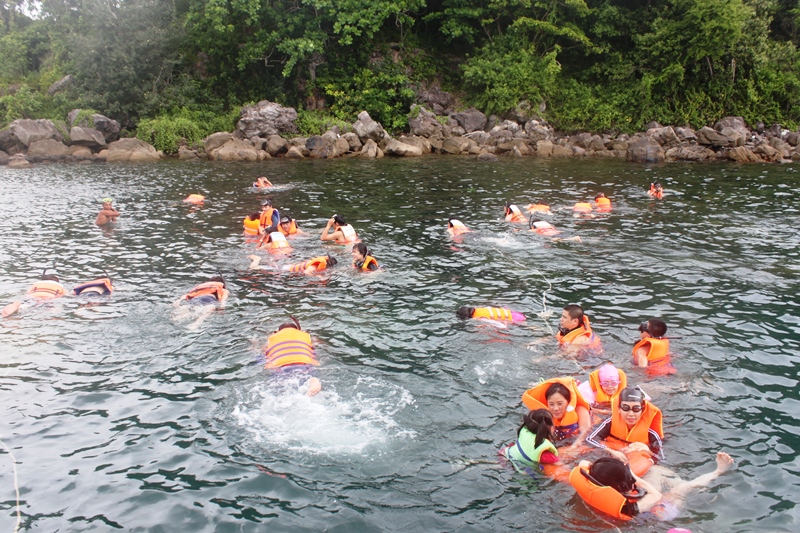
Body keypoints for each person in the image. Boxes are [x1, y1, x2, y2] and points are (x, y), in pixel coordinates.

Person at [570, 452, 734, 521]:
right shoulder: (626, 508)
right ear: (621, 484)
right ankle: (718, 472)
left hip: (626, 501)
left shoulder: (592, 482)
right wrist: (633, 477)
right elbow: (655, 497)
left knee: (654, 471)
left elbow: (583, 463)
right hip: (657, 515)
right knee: (681, 489)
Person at [586, 387, 664, 474]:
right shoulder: (610, 422)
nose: (631, 414)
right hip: (613, 449)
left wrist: (648, 451)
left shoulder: (651, 432)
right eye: (625, 408)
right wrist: (611, 451)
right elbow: (590, 439)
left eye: (636, 409)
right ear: (619, 409)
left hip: (635, 456)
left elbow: (662, 458)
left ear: (642, 410)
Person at [264, 318, 321, 396]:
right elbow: (316, 345)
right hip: (303, 364)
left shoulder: (272, 339)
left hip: (281, 367)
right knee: (307, 375)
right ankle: (312, 381)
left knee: (281, 384)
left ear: (277, 332)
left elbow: (264, 352)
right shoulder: (305, 337)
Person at [522, 378, 591, 442]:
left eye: (560, 403)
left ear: (568, 402)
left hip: (576, 441)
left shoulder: (580, 410)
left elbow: (585, 434)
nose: (555, 408)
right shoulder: (543, 417)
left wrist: (572, 448)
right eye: (551, 404)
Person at [500, 409, 559, 474]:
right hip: (517, 468)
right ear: (548, 428)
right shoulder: (544, 452)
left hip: (504, 454)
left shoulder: (525, 430)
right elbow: (556, 462)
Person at [2, 271, 66, 318]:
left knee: (26, 305)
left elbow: (27, 293)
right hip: (50, 298)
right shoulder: (60, 286)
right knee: (54, 310)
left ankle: (16, 305)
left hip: (34, 297)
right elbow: (66, 295)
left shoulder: (37, 284)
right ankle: (52, 315)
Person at [456, 306, 526, 322]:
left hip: (517, 319)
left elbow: (495, 323)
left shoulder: (478, 317)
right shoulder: (479, 309)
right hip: (513, 313)